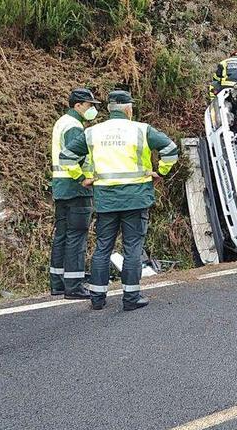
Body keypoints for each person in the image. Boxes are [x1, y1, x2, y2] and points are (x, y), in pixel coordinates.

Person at [59, 90, 179, 311]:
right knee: (132, 247)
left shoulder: (92, 132)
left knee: (103, 247)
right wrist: (160, 171)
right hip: (136, 198)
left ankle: (97, 298)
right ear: (128, 109)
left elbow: (66, 156)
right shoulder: (142, 130)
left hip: (106, 199)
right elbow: (171, 149)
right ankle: (131, 298)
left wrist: (81, 178)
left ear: (109, 109)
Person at [48, 88, 99, 299]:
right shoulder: (74, 127)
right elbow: (71, 157)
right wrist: (82, 179)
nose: (92, 109)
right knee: (76, 236)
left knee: (62, 235)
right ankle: (74, 285)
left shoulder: (62, 122)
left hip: (61, 187)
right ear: (78, 105)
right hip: (76, 188)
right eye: (89, 105)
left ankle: (58, 283)